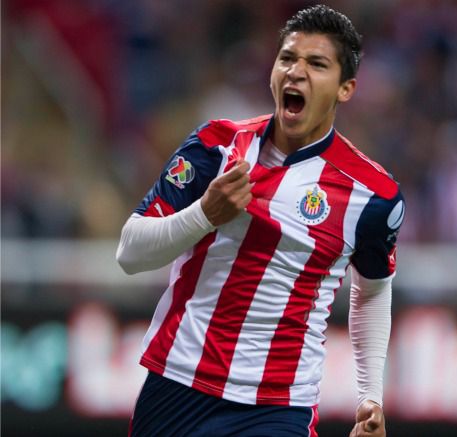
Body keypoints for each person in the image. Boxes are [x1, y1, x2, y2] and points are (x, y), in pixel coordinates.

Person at [116, 5, 403, 436]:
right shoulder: (215, 146)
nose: (296, 72)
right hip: (177, 384)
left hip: (276, 406)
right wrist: (204, 215)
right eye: (287, 58)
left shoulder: (372, 194)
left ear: (346, 88)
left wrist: (370, 396)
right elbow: (130, 254)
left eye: (317, 64)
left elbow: (373, 291)